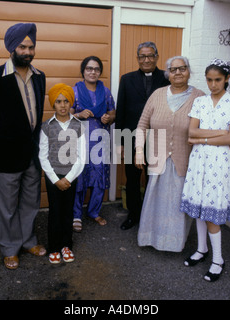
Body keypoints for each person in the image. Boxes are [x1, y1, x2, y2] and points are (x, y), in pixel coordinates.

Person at [0, 23, 46, 270]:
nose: (28, 51)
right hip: (5, 155)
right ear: (11, 47)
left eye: (31, 46)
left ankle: (27, 241)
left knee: (30, 203)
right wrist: (1, 137)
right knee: (6, 207)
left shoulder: (40, 76)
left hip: (32, 156)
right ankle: (9, 248)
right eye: (22, 46)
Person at [180, 58, 230, 282]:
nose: (213, 84)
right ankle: (201, 249)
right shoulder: (200, 102)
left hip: (220, 163)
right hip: (199, 161)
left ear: (227, 79)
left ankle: (218, 260)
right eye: (209, 80)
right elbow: (191, 133)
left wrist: (205, 137)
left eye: (218, 80)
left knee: (212, 214)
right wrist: (220, 134)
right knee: (199, 208)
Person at [135, 56, 205, 252]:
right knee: (155, 201)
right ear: (167, 74)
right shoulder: (157, 95)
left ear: (189, 72)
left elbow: (208, 127)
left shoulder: (200, 97)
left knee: (177, 204)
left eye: (182, 69)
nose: (178, 73)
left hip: (185, 160)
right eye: (173, 70)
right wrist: (139, 150)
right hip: (158, 158)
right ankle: (151, 238)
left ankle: (173, 242)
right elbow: (142, 125)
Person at [115, 42, 170, 230]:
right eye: (142, 56)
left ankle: (151, 216)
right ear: (138, 58)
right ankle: (134, 215)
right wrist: (119, 142)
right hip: (131, 137)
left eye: (150, 56)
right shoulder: (127, 79)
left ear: (156, 57)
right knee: (132, 179)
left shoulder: (167, 78)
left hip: (158, 139)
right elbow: (120, 109)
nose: (146, 60)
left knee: (153, 178)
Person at [39, 83, 86, 264]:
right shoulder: (47, 127)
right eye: (58, 101)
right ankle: (53, 247)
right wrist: (54, 179)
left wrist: (68, 178)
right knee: (55, 211)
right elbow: (43, 156)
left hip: (71, 176)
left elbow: (81, 157)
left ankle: (66, 245)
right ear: (53, 104)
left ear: (71, 103)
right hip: (53, 177)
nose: (63, 105)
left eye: (66, 101)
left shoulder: (78, 126)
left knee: (68, 211)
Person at [70, 56, 116, 232]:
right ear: (83, 71)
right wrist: (79, 115)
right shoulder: (74, 91)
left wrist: (108, 117)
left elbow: (113, 113)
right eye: (89, 68)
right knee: (80, 176)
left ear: (100, 72)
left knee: (99, 175)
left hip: (100, 139)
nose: (92, 72)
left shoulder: (105, 92)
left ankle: (94, 211)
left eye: (96, 69)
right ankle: (76, 214)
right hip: (80, 140)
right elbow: (65, 117)